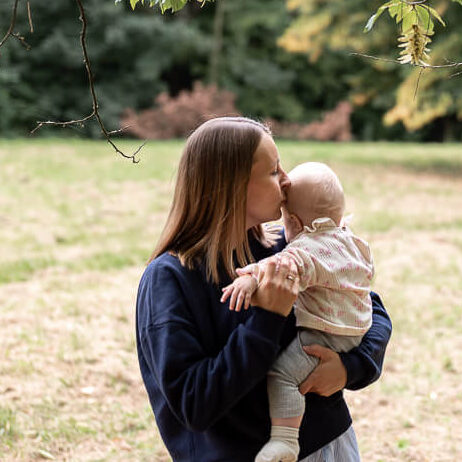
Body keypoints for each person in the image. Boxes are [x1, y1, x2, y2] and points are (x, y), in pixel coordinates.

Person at [135, 117, 391, 461]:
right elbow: (193, 404)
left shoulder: (283, 250)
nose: (287, 180)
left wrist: (351, 367)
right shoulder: (169, 280)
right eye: (273, 171)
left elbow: (368, 306)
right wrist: (267, 317)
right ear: (231, 185)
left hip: (329, 445)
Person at [220, 162, 373, 462]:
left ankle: (285, 439)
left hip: (324, 336)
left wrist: (249, 278)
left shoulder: (306, 249)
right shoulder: (350, 240)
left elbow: (282, 266)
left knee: (284, 376)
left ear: (294, 222)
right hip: (356, 329)